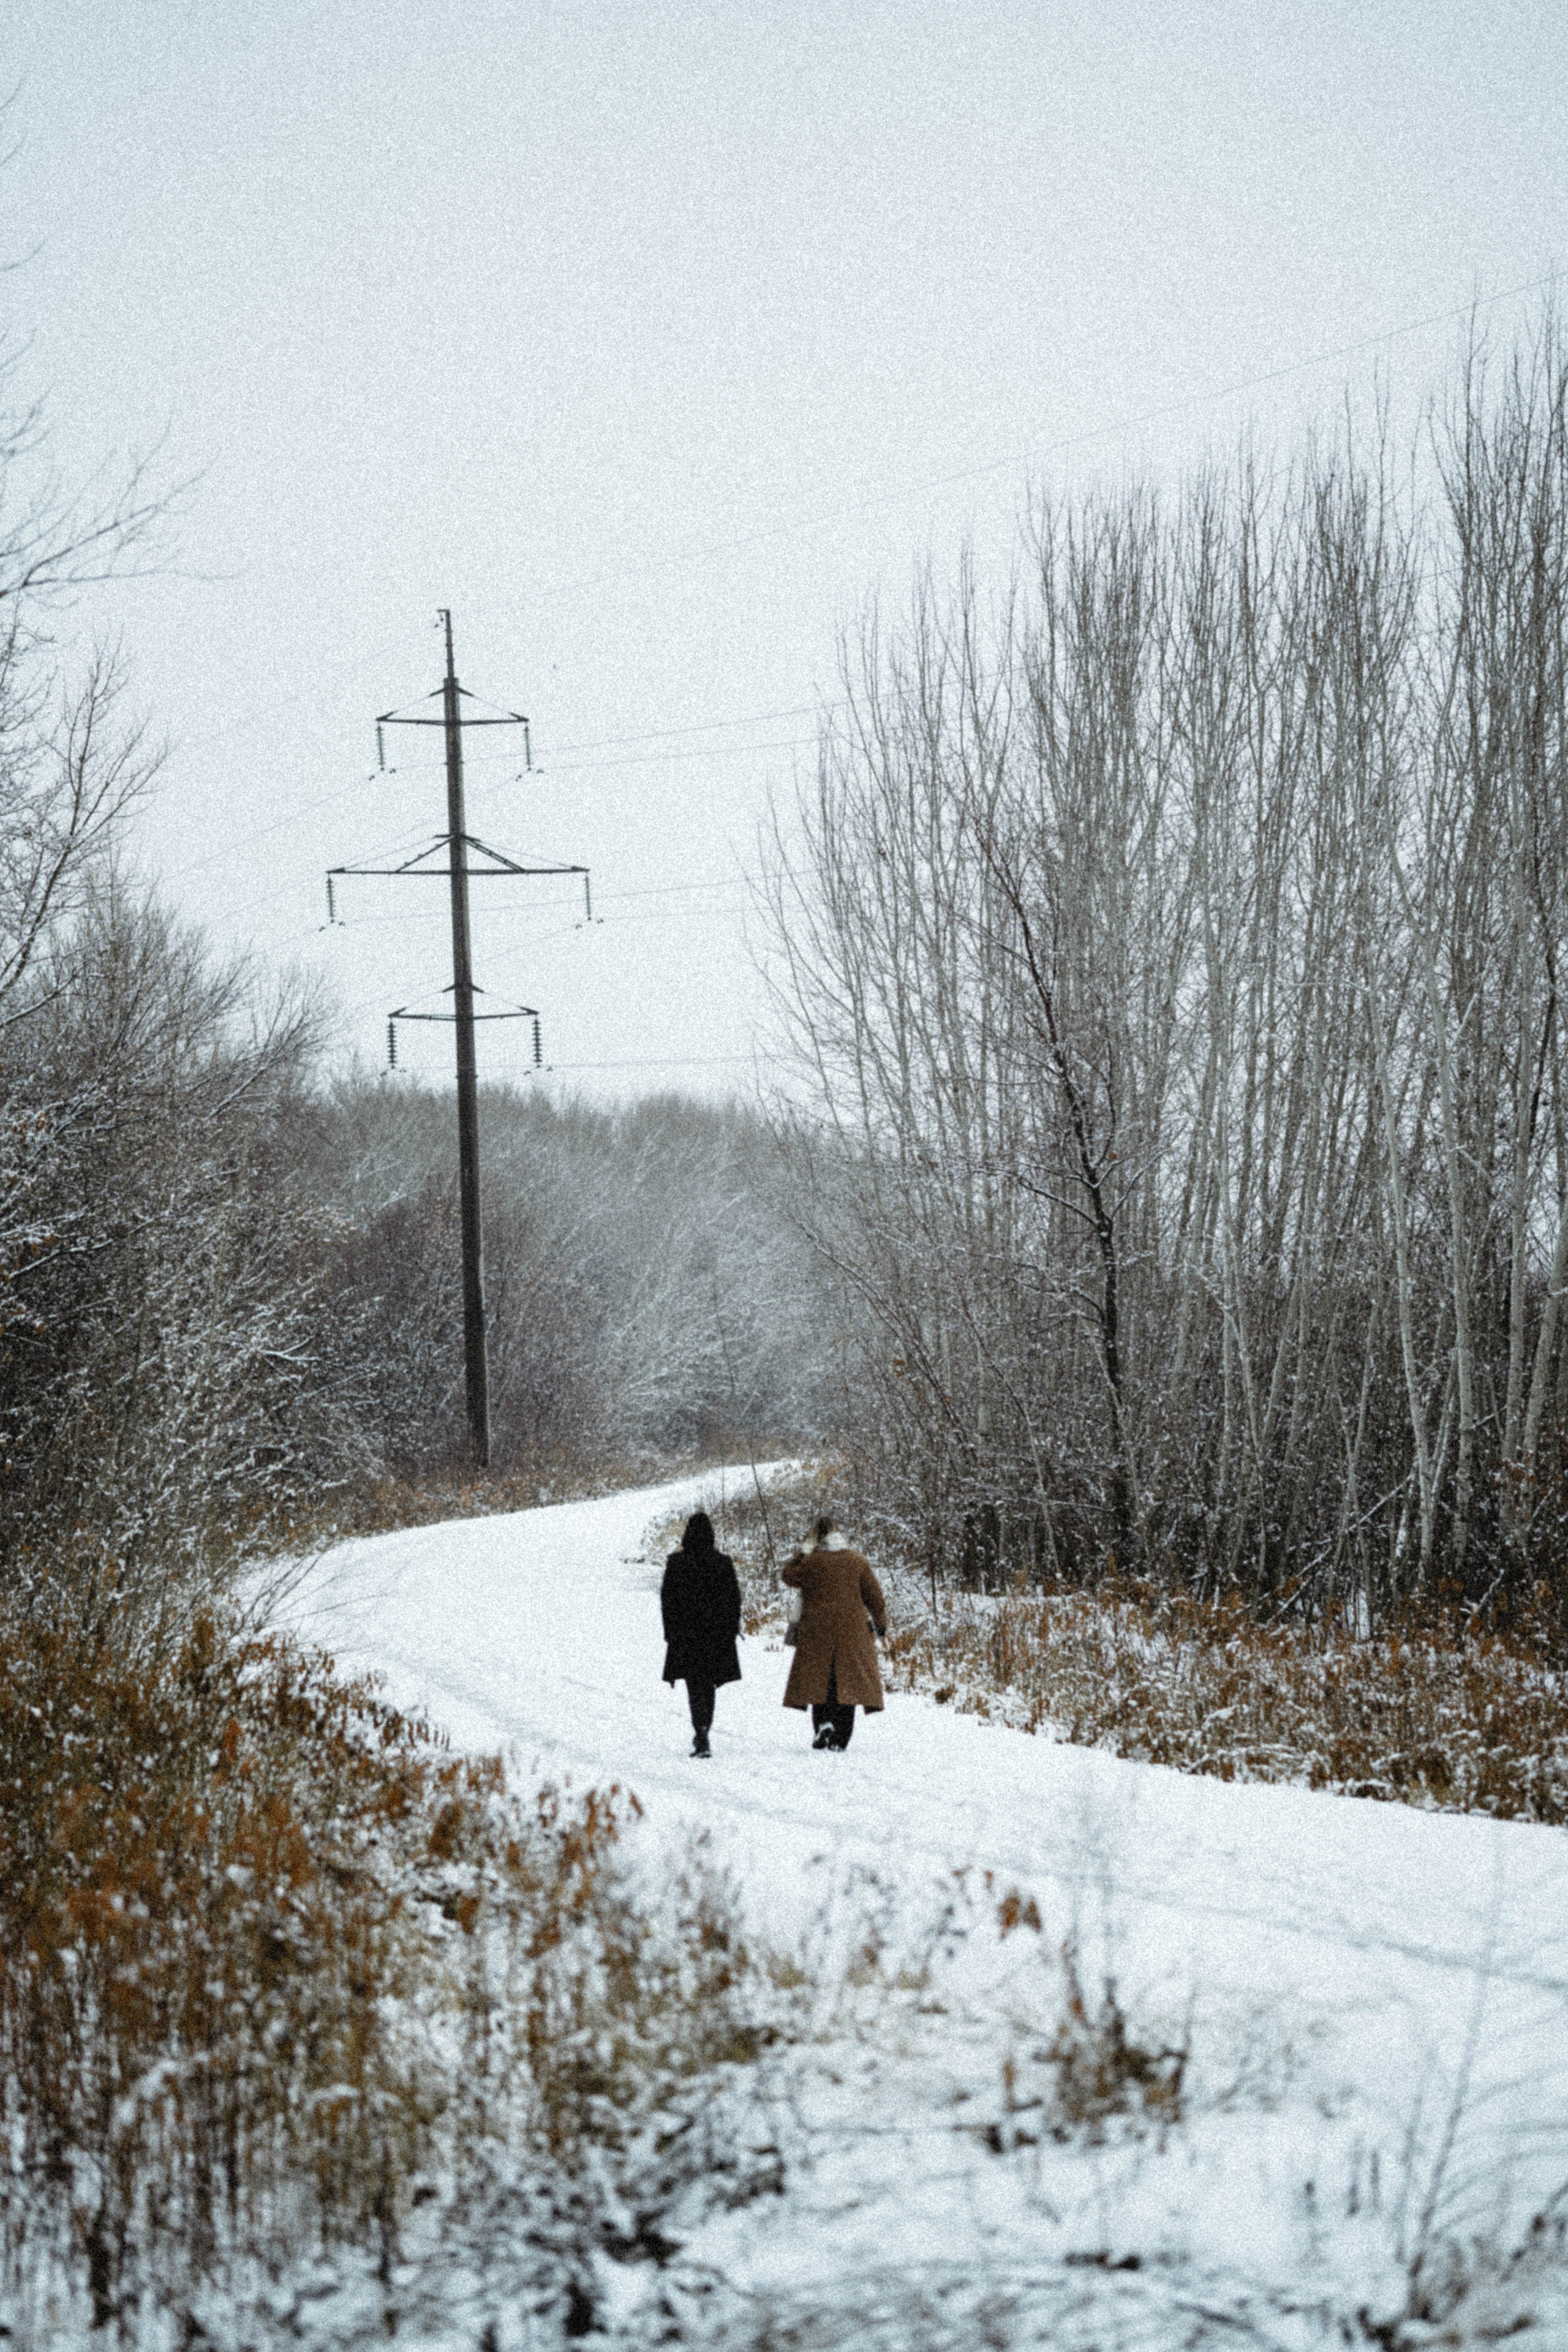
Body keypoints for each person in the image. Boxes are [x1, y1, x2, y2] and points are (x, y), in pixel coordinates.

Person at [781, 1514, 888, 1751]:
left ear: (816, 1539)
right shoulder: (857, 1560)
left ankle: (823, 1726)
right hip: (853, 1631)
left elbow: (788, 1575)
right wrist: (880, 1625)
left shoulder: (812, 1562)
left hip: (816, 1631)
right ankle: (840, 1739)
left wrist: (803, 1552)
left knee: (822, 1683)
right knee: (846, 1684)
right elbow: (876, 1598)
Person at [660, 1509, 742, 1758]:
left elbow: (668, 1601)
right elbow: (734, 1599)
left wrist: (670, 1633)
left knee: (694, 1685)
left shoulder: (676, 1563)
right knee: (709, 1685)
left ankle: (701, 1730)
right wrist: (731, 1629)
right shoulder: (723, 1563)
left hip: (687, 1635)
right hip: (716, 1635)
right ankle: (705, 1727)